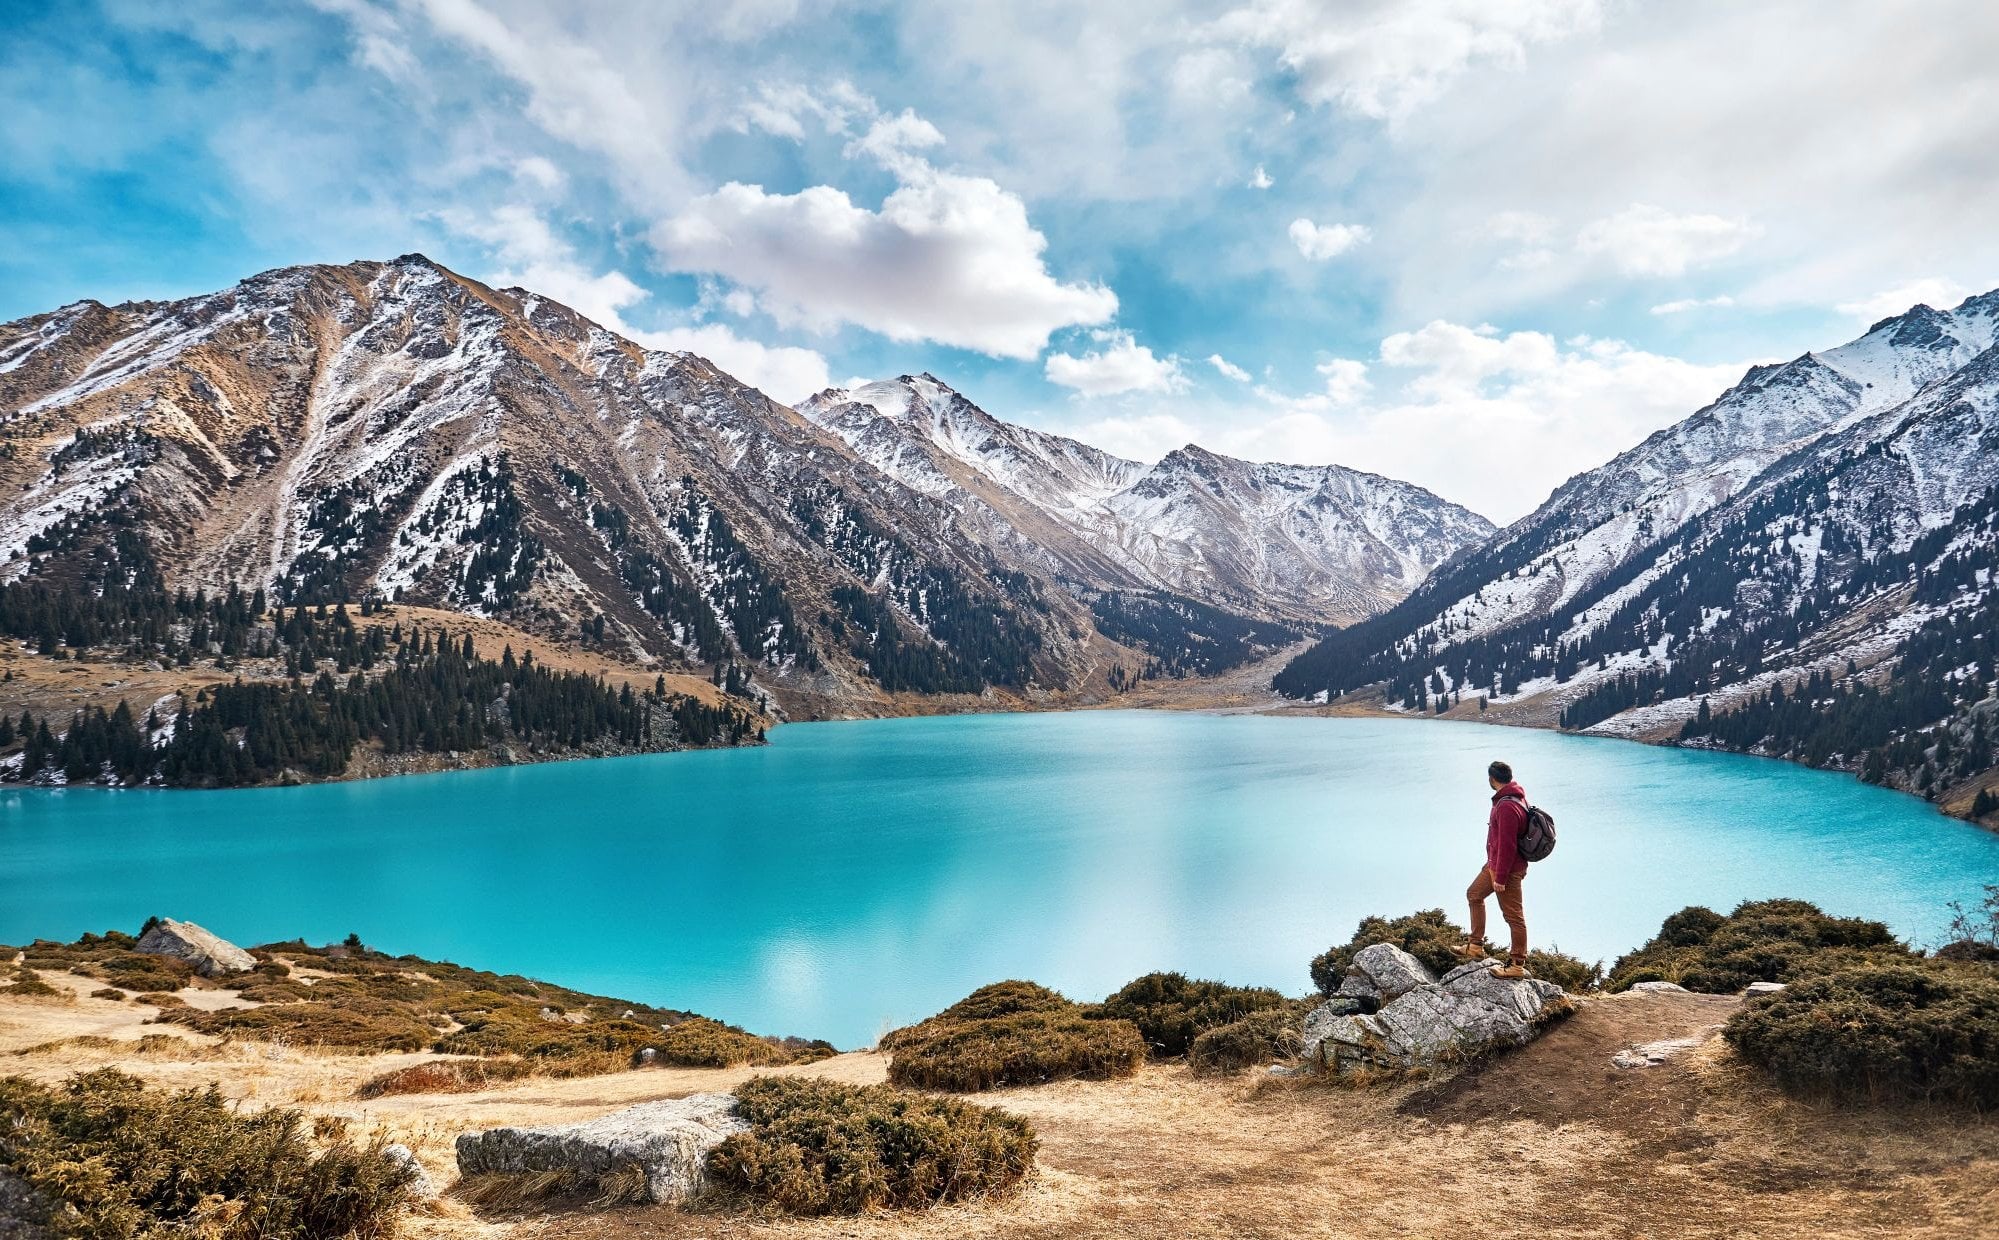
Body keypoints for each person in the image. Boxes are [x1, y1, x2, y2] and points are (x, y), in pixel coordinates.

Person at [1456, 759, 1529, 979]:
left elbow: (1508, 845)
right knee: (1474, 894)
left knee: (1513, 916)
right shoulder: (1513, 798)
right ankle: (1475, 945)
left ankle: (1517, 964)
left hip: (1506, 870)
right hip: (1494, 865)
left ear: (1492, 779)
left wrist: (1501, 877)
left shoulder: (1507, 805)